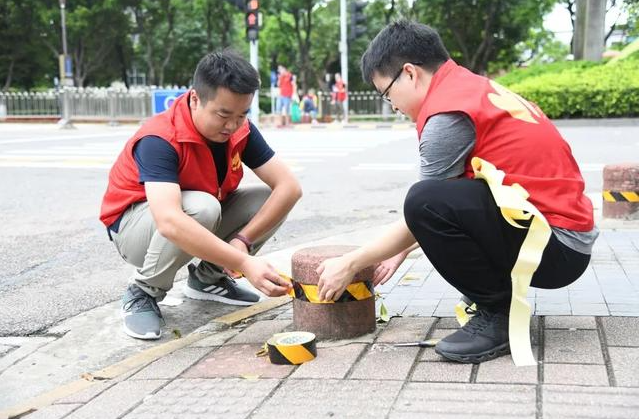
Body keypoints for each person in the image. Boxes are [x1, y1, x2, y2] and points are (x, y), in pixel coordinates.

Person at [316, 20, 598, 363]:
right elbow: (458, 201)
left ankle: (498, 315)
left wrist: (350, 263)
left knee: (421, 201)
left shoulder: (446, 116)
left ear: (410, 73)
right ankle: (496, 303)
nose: (392, 105)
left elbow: (430, 207)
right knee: (429, 203)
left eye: (388, 94)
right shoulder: (469, 88)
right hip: (562, 236)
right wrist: (398, 251)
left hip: (557, 246)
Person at [100, 50, 302, 340]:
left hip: (194, 216)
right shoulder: (160, 138)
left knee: (265, 199)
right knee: (201, 208)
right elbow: (169, 221)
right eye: (223, 114)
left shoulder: (239, 129)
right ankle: (142, 291)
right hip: (136, 229)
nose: (233, 125)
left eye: (242, 114)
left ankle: (208, 280)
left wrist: (241, 242)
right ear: (195, 99)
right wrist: (243, 262)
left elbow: (289, 187)